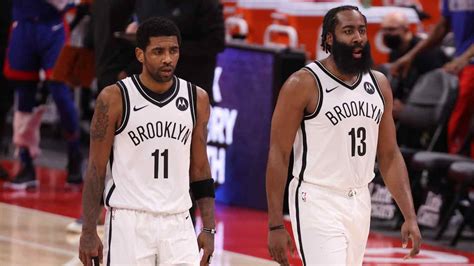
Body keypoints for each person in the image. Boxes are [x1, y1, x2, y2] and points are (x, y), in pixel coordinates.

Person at [265, 6, 421, 265]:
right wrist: (274, 225)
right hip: (316, 199)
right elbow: (278, 154)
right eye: (348, 31)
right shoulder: (303, 84)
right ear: (329, 38)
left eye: (362, 30)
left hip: (360, 199)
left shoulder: (379, 83)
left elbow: (389, 154)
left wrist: (410, 215)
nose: (358, 37)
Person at [79, 17, 215, 265]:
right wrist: (89, 231)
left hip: (178, 221)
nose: (167, 59)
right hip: (129, 221)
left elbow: (200, 169)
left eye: (173, 51)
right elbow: (96, 169)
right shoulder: (114, 98)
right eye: (158, 51)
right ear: (140, 54)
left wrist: (209, 227)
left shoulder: (197, 99)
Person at [3, 0, 83, 189]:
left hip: (52, 28)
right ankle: (26, 162)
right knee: (23, 99)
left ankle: (74, 154)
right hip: (23, 25)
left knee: (61, 94)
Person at [392, 0, 474, 157]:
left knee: (459, 123)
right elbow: (442, 26)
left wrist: (464, 58)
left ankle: (461, 175)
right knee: (450, 124)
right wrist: (410, 56)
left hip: (469, 64)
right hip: (462, 64)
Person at [134, 0, 225, 105]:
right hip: (149, 88)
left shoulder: (206, 4)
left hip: (189, 89)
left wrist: (169, 48)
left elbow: (216, 42)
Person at [381, 11, 448, 119]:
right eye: (384, 29)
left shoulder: (427, 52)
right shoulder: (395, 51)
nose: (387, 33)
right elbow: (398, 81)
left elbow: (435, 85)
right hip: (408, 101)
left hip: (429, 104)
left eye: (392, 29)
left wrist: (405, 105)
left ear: (406, 29)